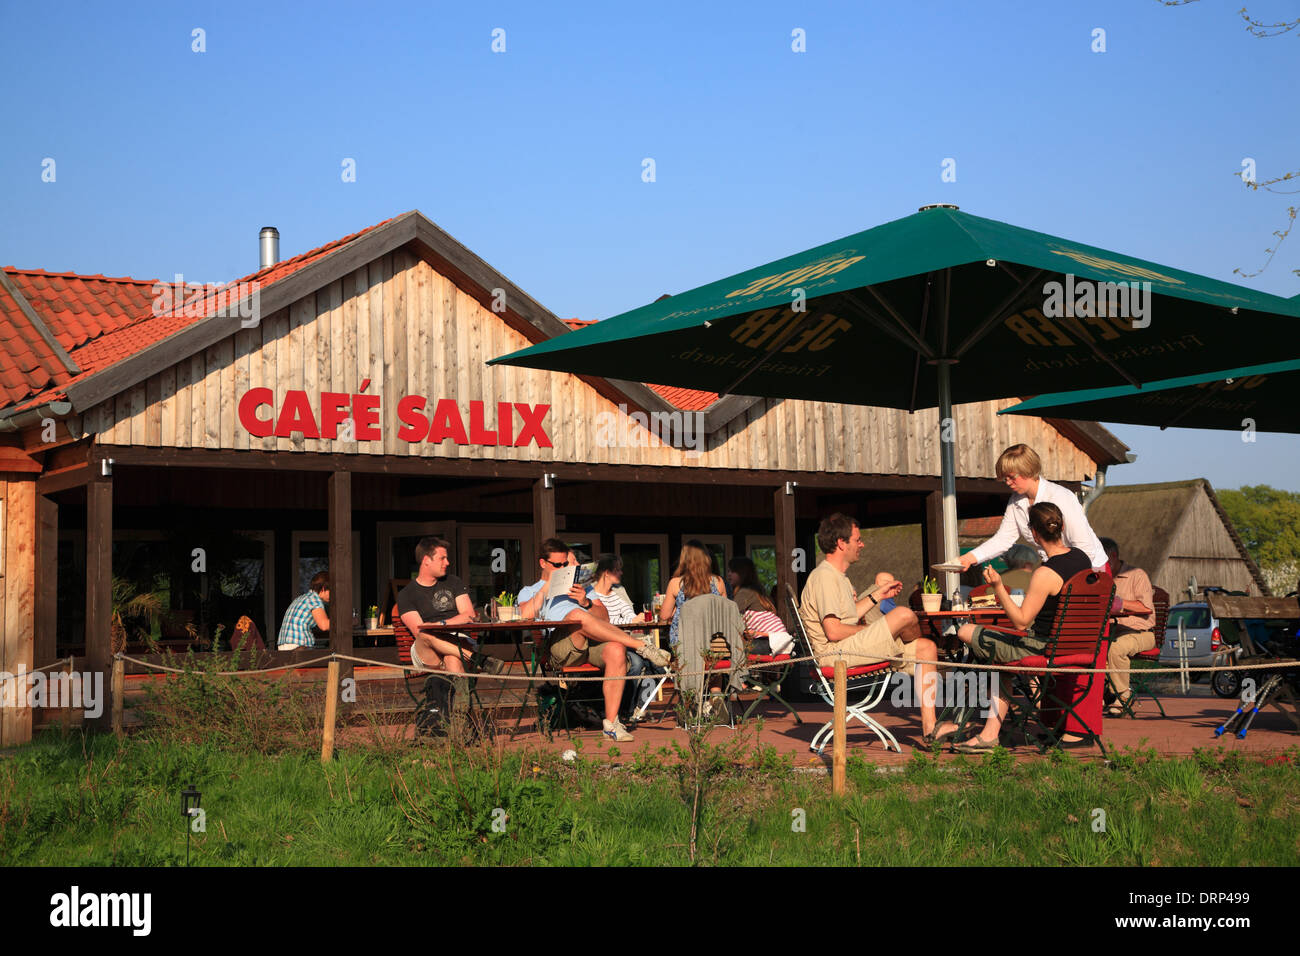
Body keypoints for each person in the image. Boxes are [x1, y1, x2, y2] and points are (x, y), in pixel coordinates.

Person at [950, 502, 1094, 752]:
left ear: (1035, 534)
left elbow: (1021, 621)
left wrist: (997, 587)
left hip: (1044, 648)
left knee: (967, 633)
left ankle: (988, 731)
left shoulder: (1046, 573)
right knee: (999, 654)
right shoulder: (1082, 558)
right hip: (1077, 645)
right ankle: (992, 732)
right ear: (1060, 527)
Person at [799, 513, 948, 746]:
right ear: (841, 543)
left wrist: (877, 595)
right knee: (903, 615)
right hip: (834, 654)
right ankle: (912, 644)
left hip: (846, 648)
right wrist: (877, 629)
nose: (862, 544)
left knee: (926, 648)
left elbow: (849, 616)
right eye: (857, 540)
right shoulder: (824, 578)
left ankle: (930, 729)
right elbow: (834, 631)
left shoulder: (838, 576)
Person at [519, 538, 670, 742]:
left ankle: (612, 724)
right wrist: (547, 588)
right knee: (575, 616)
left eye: (565, 565)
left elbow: (605, 619)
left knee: (616, 648)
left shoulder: (582, 587)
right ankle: (640, 645)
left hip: (590, 643)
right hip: (560, 648)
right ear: (543, 563)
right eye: (558, 565)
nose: (563, 569)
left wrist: (586, 601)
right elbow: (525, 615)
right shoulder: (529, 591)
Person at [959, 444, 1107, 573]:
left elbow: (1084, 546)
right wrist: (969, 558)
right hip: (1055, 568)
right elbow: (1003, 539)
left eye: (1011, 477)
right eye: (1005, 478)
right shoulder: (1015, 501)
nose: (1008, 482)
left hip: (1089, 568)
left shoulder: (1060, 497)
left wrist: (1065, 575)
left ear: (1028, 470)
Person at [396, 536, 494, 675]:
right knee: (424, 633)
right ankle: (478, 659)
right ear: (426, 560)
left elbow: (469, 614)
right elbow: (419, 632)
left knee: (452, 659)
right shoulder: (406, 594)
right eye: (442, 558)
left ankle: (460, 696)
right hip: (428, 651)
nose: (447, 563)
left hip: (458, 640)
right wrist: (435, 629)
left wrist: (442, 624)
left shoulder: (454, 582)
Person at [587, 553, 664, 721]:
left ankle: (638, 706)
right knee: (635, 663)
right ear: (607, 573)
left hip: (624, 642)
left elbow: (629, 615)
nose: (621, 573)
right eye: (617, 570)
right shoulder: (591, 596)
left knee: (659, 664)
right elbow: (600, 621)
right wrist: (630, 619)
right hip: (604, 644)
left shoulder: (616, 594)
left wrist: (638, 618)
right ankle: (624, 710)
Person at [1099, 537, 1156, 716]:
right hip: (1110, 631)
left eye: (1101, 559)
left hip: (1140, 632)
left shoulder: (1137, 575)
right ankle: (1102, 694)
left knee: (1116, 648)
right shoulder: (1100, 577)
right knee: (1090, 648)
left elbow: (1145, 608)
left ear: (1113, 556)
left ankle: (1123, 695)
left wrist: (1120, 603)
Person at [660, 542, 728, 648]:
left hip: (683, 640)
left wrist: (677, 610)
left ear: (684, 559)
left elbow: (664, 616)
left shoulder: (676, 583)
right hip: (712, 639)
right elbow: (725, 612)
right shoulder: (718, 582)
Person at [728, 556, 794, 655]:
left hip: (771, 643)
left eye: (732, 571)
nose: (728, 574)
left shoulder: (746, 592)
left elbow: (728, 613)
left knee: (730, 648)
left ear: (742, 573)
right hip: (780, 642)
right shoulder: (757, 590)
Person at [278, 572, 330, 650]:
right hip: (298, 646)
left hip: (284, 645)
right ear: (323, 589)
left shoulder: (302, 598)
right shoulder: (314, 600)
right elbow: (324, 625)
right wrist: (347, 622)